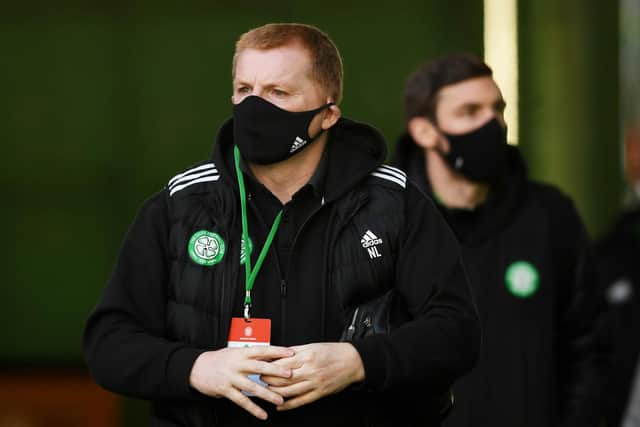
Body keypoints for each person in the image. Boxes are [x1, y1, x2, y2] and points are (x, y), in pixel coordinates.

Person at [83, 24, 480, 426]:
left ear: (327, 115)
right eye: (244, 90)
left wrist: (359, 362)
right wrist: (197, 368)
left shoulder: (393, 203)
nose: (254, 107)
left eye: (278, 92)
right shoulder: (180, 207)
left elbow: (457, 332)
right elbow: (109, 343)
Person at [394, 53, 608, 427]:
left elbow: (589, 349)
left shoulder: (550, 216)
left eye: (497, 109)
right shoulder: (385, 222)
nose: (491, 123)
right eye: (469, 111)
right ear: (424, 131)